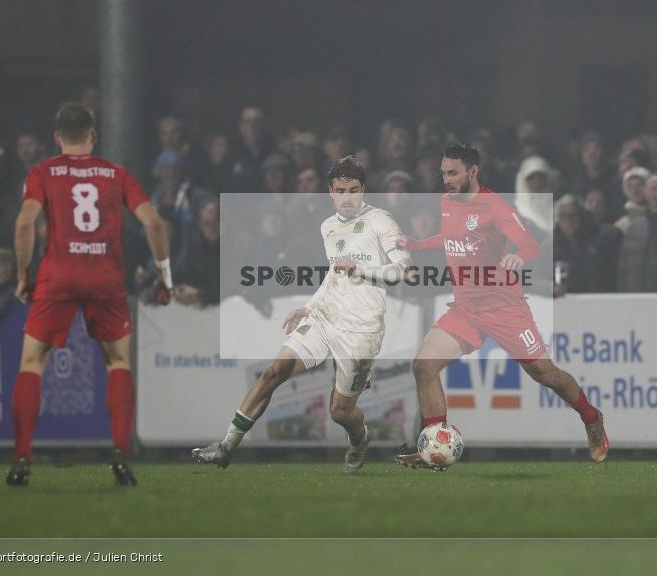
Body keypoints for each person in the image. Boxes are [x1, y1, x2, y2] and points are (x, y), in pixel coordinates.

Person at [394, 143, 608, 470]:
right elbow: (451, 237)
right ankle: (433, 449)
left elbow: (530, 244)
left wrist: (518, 257)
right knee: (423, 366)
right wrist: (418, 244)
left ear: (473, 172)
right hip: (465, 310)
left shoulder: (496, 208)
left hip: (504, 309)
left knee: (544, 373)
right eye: (443, 173)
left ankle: (591, 418)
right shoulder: (447, 201)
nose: (445, 179)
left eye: (452, 173)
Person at [192, 156, 411, 474]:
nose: (346, 197)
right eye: (340, 190)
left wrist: (361, 268)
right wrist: (310, 305)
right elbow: (335, 274)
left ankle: (360, 438)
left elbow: (402, 271)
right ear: (330, 192)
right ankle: (226, 446)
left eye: (353, 190)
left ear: (363, 190)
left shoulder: (381, 222)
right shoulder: (328, 227)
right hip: (325, 315)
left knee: (340, 411)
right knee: (272, 372)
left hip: (362, 328)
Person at [6, 102, 172, 487]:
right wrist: (165, 276)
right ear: (93, 137)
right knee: (118, 363)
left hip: (58, 275)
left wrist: (23, 276)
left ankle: (21, 458)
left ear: (57, 137)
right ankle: (119, 452)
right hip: (105, 278)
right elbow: (154, 222)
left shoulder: (43, 172)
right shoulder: (117, 174)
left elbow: (24, 223)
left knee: (32, 363)